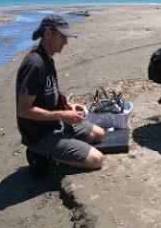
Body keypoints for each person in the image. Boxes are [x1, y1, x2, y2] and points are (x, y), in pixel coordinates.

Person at [15, 14, 105, 174]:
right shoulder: (34, 65)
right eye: (62, 36)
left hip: (55, 124)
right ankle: (44, 154)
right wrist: (62, 115)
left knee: (98, 134)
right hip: (39, 134)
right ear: (48, 33)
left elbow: (50, 95)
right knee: (96, 160)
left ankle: (63, 146)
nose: (66, 41)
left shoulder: (48, 59)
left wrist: (68, 106)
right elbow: (23, 110)